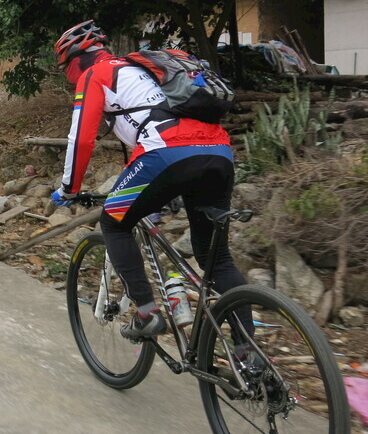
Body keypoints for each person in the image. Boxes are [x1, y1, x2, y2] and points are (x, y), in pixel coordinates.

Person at [50, 20, 249, 340]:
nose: (68, 75)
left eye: (65, 68)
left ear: (74, 60)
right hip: (219, 153)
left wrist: (69, 189)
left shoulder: (94, 75)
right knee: (217, 259)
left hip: (167, 153)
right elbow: (144, 132)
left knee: (114, 222)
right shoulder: (144, 68)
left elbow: (82, 140)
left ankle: (145, 312)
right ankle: (248, 353)